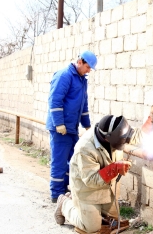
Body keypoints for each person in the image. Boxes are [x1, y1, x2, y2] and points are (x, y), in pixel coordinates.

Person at [54, 114, 153, 233]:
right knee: (92, 228)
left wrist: (151, 121)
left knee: (114, 222)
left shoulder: (116, 131)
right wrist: (115, 168)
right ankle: (64, 204)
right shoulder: (85, 148)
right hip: (87, 190)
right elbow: (92, 180)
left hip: (107, 189)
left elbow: (134, 136)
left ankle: (84, 207)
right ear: (107, 138)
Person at [46, 50, 97, 203]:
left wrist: (87, 126)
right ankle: (56, 194)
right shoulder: (64, 76)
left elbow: (83, 104)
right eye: (88, 67)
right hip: (60, 129)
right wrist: (59, 124)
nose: (89, 71)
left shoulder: (81, 80)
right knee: (59, 160)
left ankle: (65, 189)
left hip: (72, 128)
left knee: (73, 160)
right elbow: (55, 101)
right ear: (80, 62)